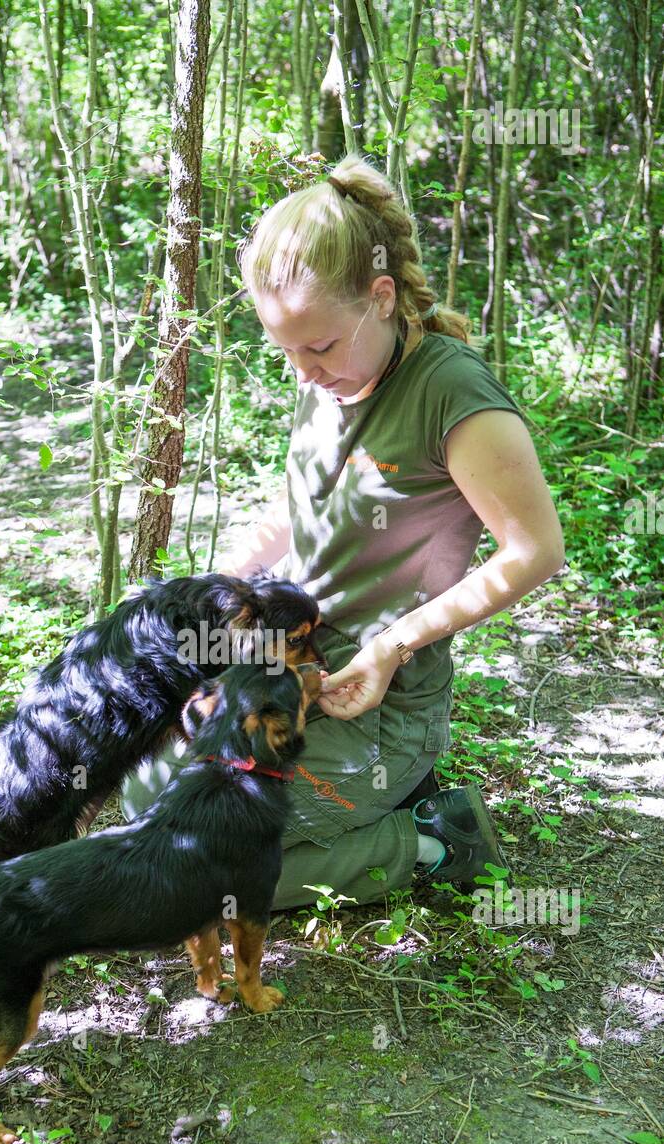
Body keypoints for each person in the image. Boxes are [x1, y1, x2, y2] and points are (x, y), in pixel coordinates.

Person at [119, 153, 565, 909]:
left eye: (318, 346)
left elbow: (535, 552)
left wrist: (390, 647)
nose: (301, 371)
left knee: (188, 875)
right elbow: (297, 510)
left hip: (381, 703)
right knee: (140, 790)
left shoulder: (452, 393)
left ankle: (430, 841)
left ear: (380, 298)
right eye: (285, 350)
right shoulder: (329, 378)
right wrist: (212, 599)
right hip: (293, 674)